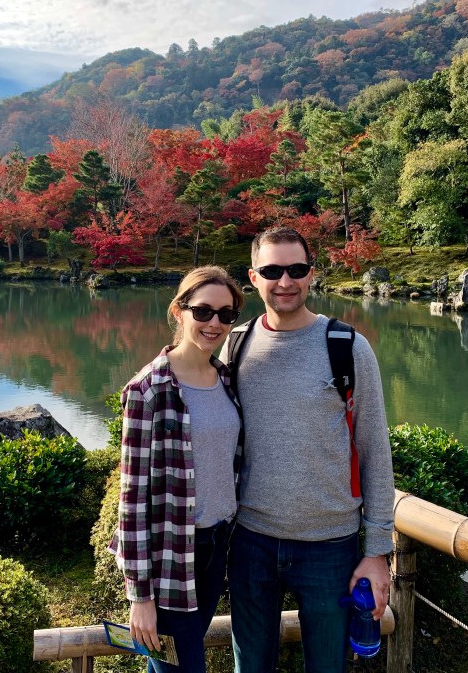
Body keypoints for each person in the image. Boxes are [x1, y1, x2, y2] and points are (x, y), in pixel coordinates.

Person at [222, 227, 395, 673]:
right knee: (251, 666)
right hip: (251, 540)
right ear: (253, 277)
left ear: (311, 275)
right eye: (272, 270)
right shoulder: (235, 344)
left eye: (296, 270)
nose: (285, 281)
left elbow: (374, 451)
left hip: (329, 544)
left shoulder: (347, 348)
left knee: (327, 667)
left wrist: (377, 553)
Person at [109, 266, 245, 673]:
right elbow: (131, 499)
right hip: (173, 555)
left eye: (226, 314)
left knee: (174, 665)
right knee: (182, 667)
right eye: (203, 312)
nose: (214, 323)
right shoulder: (148, 390)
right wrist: (140, 597)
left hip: (219, 545)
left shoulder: (226, 379)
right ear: (178, 311)